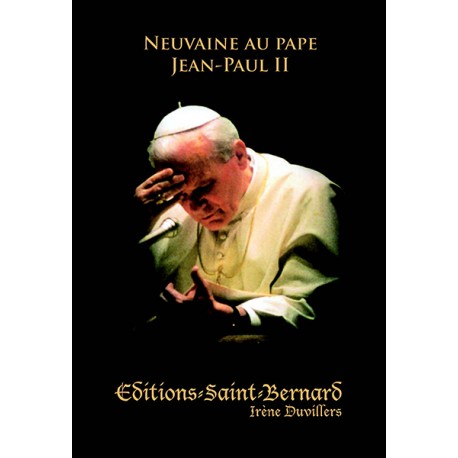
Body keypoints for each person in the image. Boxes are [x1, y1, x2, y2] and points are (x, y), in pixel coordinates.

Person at [134, 105, 341, 340]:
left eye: (204, 187)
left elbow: (319, 306)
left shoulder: (308, 193)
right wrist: (133, 224)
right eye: (181, 194)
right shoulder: (160, 207)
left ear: (239, 156)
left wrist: (235, 316)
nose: (194, 207)